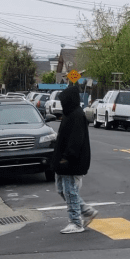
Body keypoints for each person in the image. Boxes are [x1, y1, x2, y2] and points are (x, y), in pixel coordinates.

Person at [52, 84, 97, 234]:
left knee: (70, 191)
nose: (62, 103)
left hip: (71, 162)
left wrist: (67, 158)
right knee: (63, 190)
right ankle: (86, 211)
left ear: (69, 100)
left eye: (63, 100)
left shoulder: (76, 116)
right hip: (64, 162)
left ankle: (76, 222)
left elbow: (76, 141)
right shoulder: (70, 114)